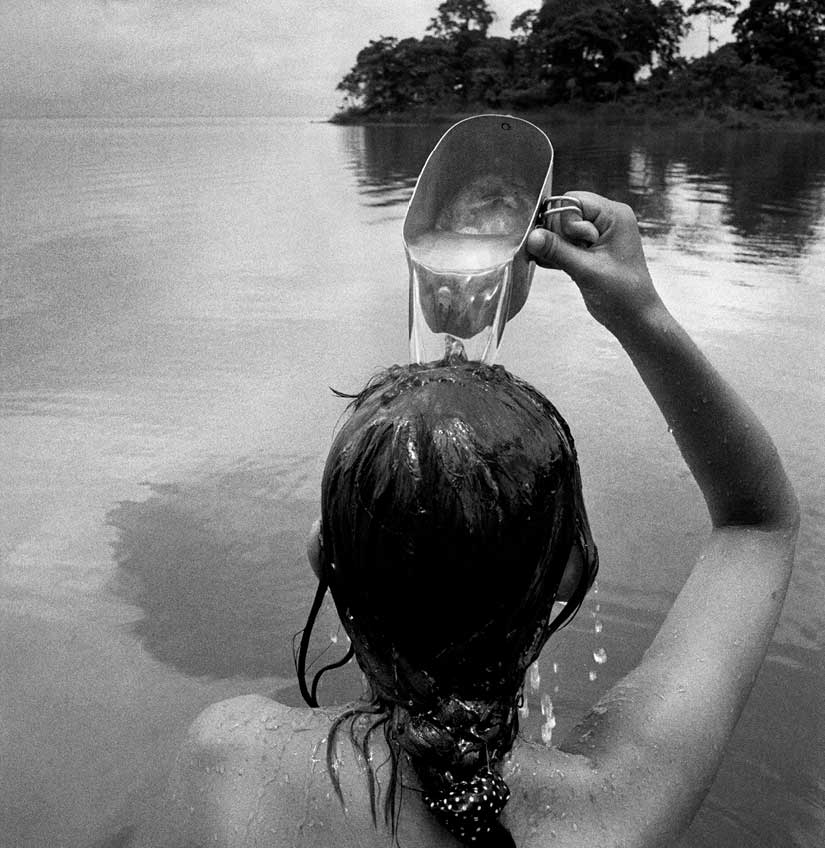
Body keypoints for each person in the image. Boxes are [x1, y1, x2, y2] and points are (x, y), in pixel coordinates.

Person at [125, 192, 798, 848]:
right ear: (569, 568)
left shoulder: (231, 762)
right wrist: (635, 308)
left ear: (319, 553)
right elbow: (756, 522)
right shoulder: (614, 809)